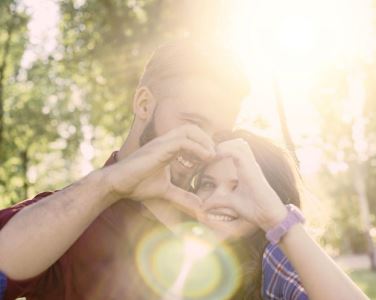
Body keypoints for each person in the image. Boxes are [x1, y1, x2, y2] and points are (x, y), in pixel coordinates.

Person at [0, 39, 249, 299]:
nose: (205, 147)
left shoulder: (218, 228)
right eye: (193, 123)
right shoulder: (64, 221)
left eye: (218, 135)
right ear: (143, 104)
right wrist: (108, 186)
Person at [193, 130, 369, 300]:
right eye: (208, 184)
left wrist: (278, 221)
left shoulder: (276, 254)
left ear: (273, 197)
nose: (216, 199)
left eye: (238, 187)